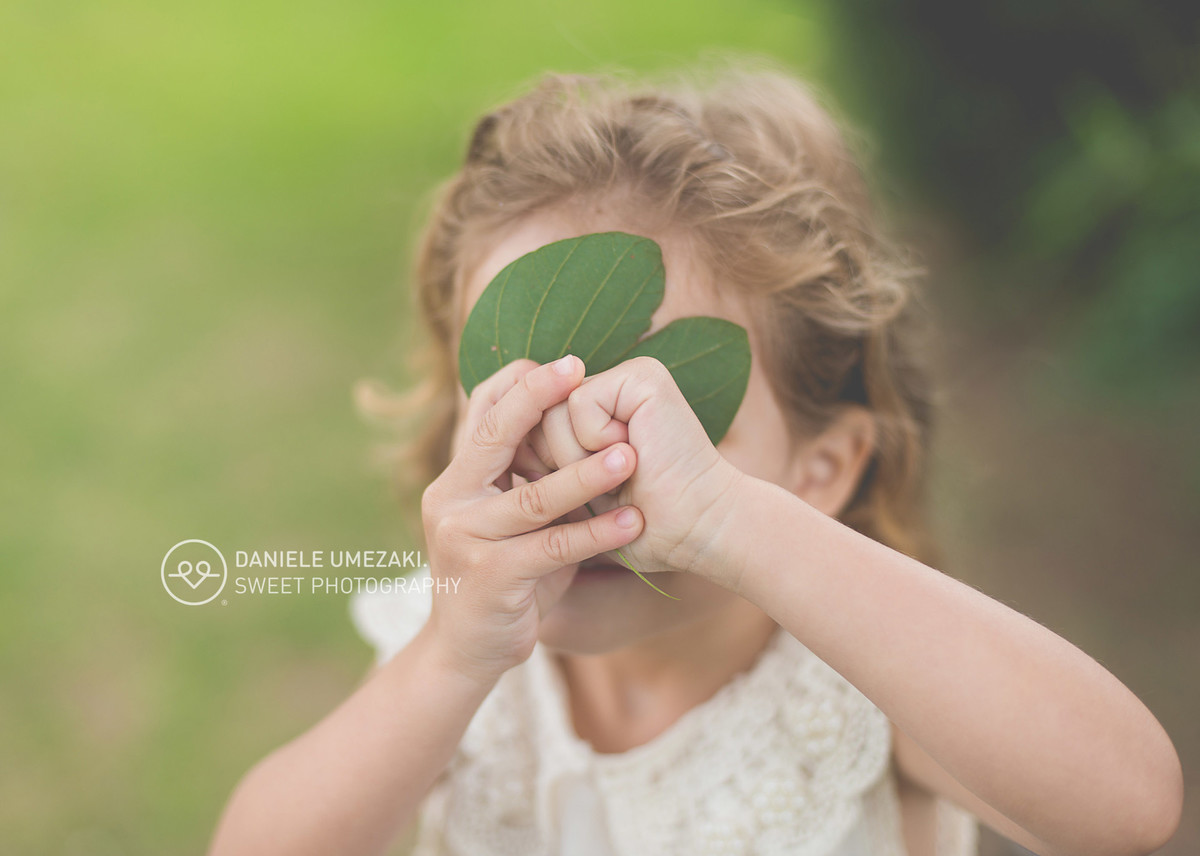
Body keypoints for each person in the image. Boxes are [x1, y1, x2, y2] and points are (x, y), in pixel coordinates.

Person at [207, 63, 1184, 856]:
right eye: (523, 411)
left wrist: (723, 521)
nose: (575, 478)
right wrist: (449, 660)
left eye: (666, 431)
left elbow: (1129, 808)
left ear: (820, 469)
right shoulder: (463, 656)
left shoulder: (855, 693)